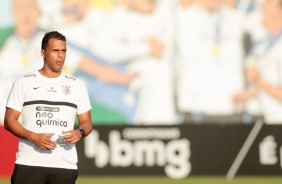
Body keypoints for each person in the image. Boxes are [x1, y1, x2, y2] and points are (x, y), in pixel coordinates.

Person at [4, 31, 93, 184]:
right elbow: (9, 120)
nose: (60, 55)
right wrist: (33, 137)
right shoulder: (24, 82)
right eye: (55, 50)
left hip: (65, 166)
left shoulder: (76, 85)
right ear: (43, 53)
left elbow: (87, 122)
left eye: (63, 51)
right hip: (29, 163)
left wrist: (80, 132)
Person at [175, 0, 245, 123]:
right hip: (195, 106)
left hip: (229, 105)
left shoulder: (234, 17)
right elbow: (184, 4)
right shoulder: (187, 16)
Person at [233, 0, 282, 124]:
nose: (264, 4)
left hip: (277, 123)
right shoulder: (263, 42)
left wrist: (259, 81)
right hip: (260, 119)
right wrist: (249, 94)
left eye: (271, 3)